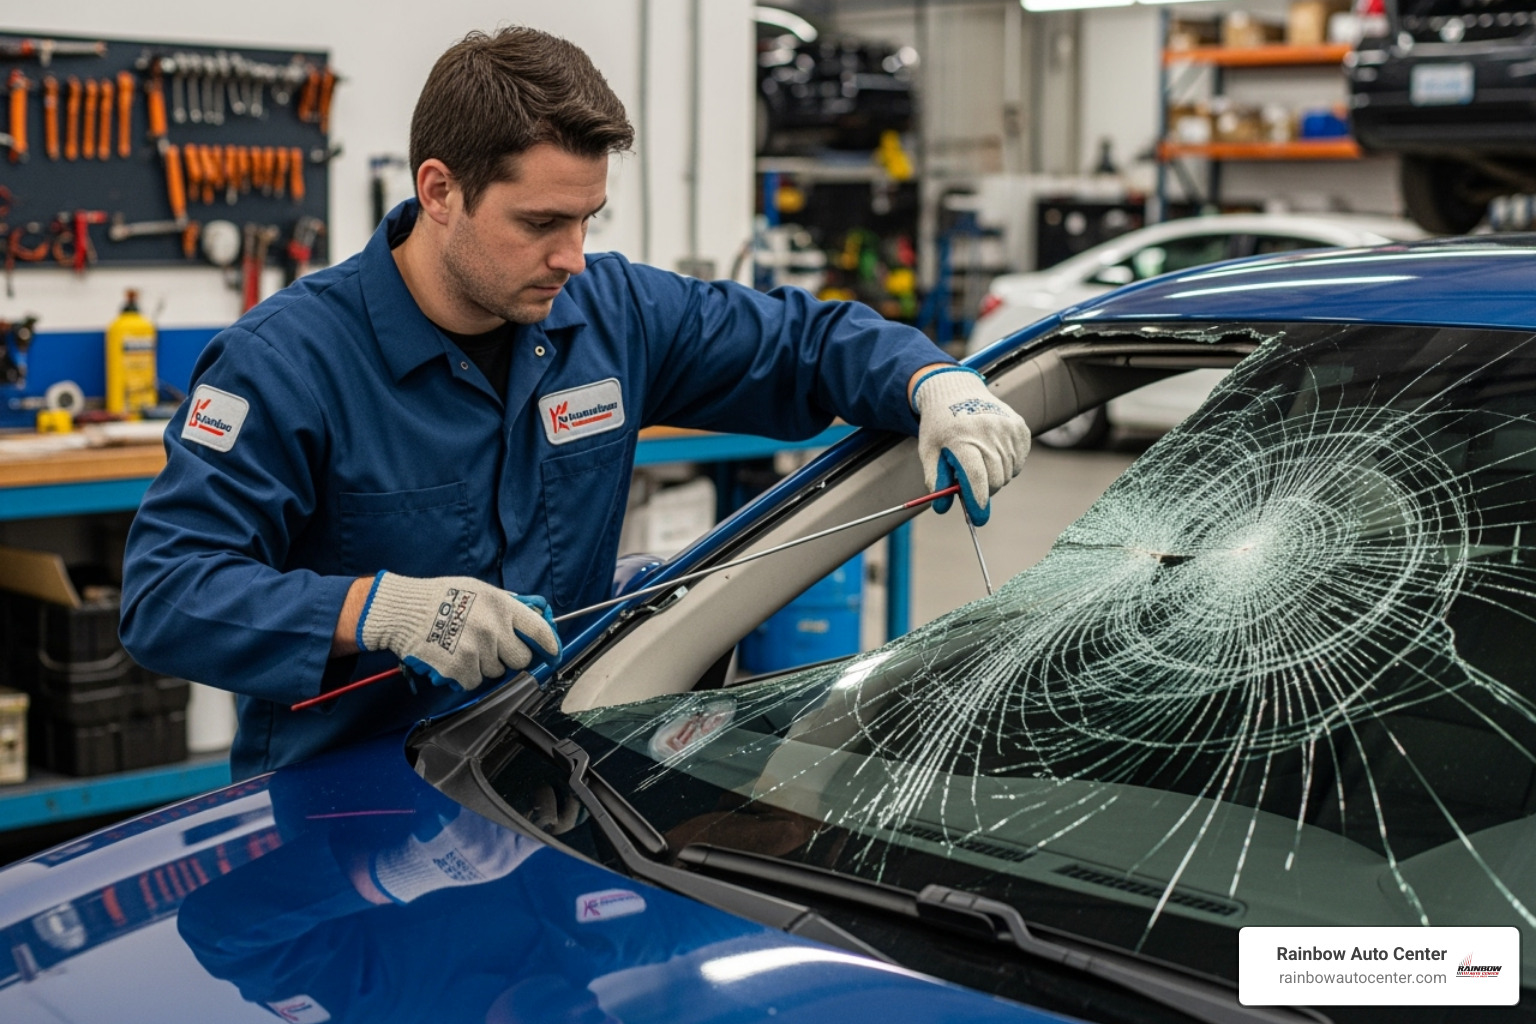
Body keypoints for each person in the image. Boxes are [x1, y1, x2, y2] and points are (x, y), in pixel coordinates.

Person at [120, 26, 1031, 781]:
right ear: (439, 191)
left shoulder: (610, 313)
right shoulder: (285, 363)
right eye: (540, 223)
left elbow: (805, 341)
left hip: (552, 788)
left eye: (588, 218)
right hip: (350, 810)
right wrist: (379, 611)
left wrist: (931, 380)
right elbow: (167, 593)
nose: (572, 255)